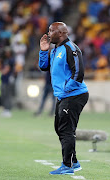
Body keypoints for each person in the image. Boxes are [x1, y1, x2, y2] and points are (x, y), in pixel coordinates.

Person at [39, 22, 89, 175]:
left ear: (61, 33)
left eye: (51, 31)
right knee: (59, 128)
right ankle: (73, 161)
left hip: (74, 95)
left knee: (66, 129)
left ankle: (67, 165)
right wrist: (43, 51)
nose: (48, 33)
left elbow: (78, 73)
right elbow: (43, 67)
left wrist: (66, 89)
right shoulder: (55, 50)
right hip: (63, 96)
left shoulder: (71, 48)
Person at [0, 47, 15, 117]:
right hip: (4, 80)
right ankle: (5, 109)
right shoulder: (6, 60)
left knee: (7, 95)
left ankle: (8, 110)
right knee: (4, 95)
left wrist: (2, 72)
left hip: (7, 80)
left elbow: (7, 70)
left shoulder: (11, 60)